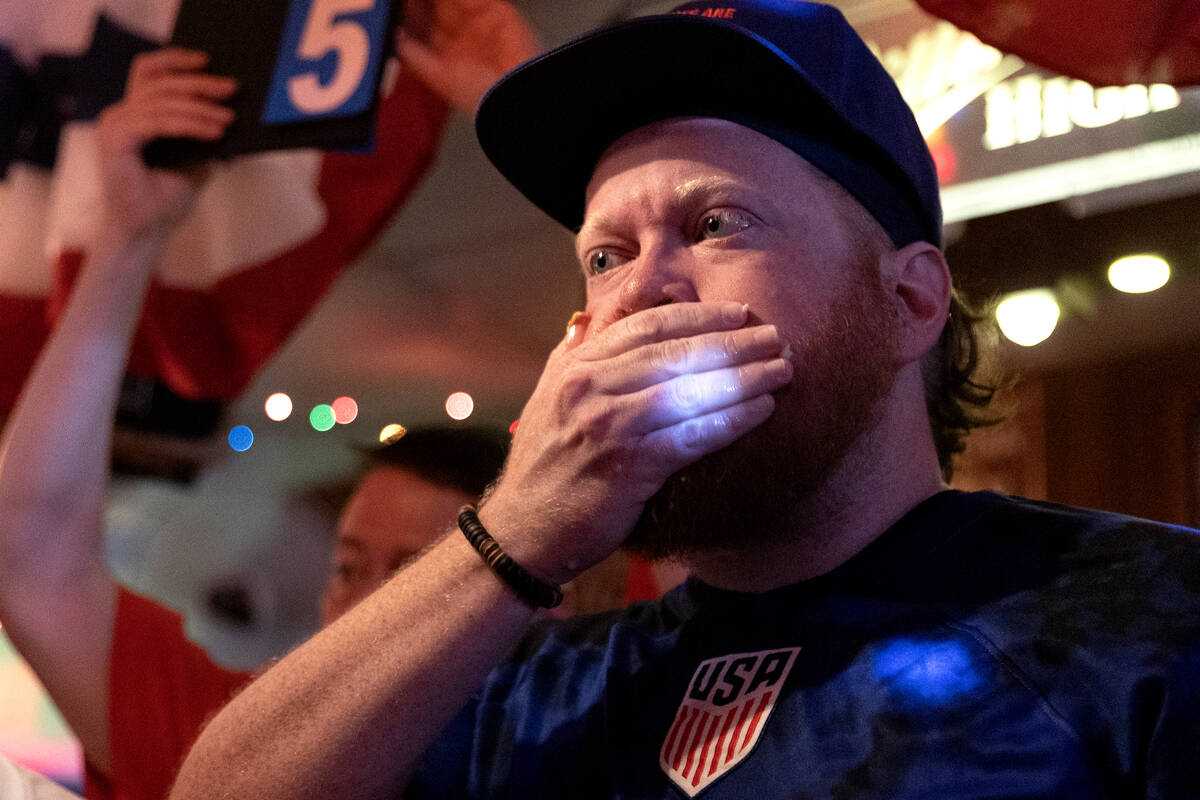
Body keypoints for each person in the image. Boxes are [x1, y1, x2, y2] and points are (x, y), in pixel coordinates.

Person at [169, 2, 1200, 798]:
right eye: (604, 255)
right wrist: (516, 525)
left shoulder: (1144, 616)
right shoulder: (534, 689)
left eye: (716, 225)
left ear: (911, 297)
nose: (640, 291)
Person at [0, 2, 537, 795]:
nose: (365, 606)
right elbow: (31, 547)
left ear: (548, 606)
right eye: (350, 568)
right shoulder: (237, 752)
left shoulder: (587, 752)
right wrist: (125, 236)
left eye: (419, 572)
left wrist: (544, 132)